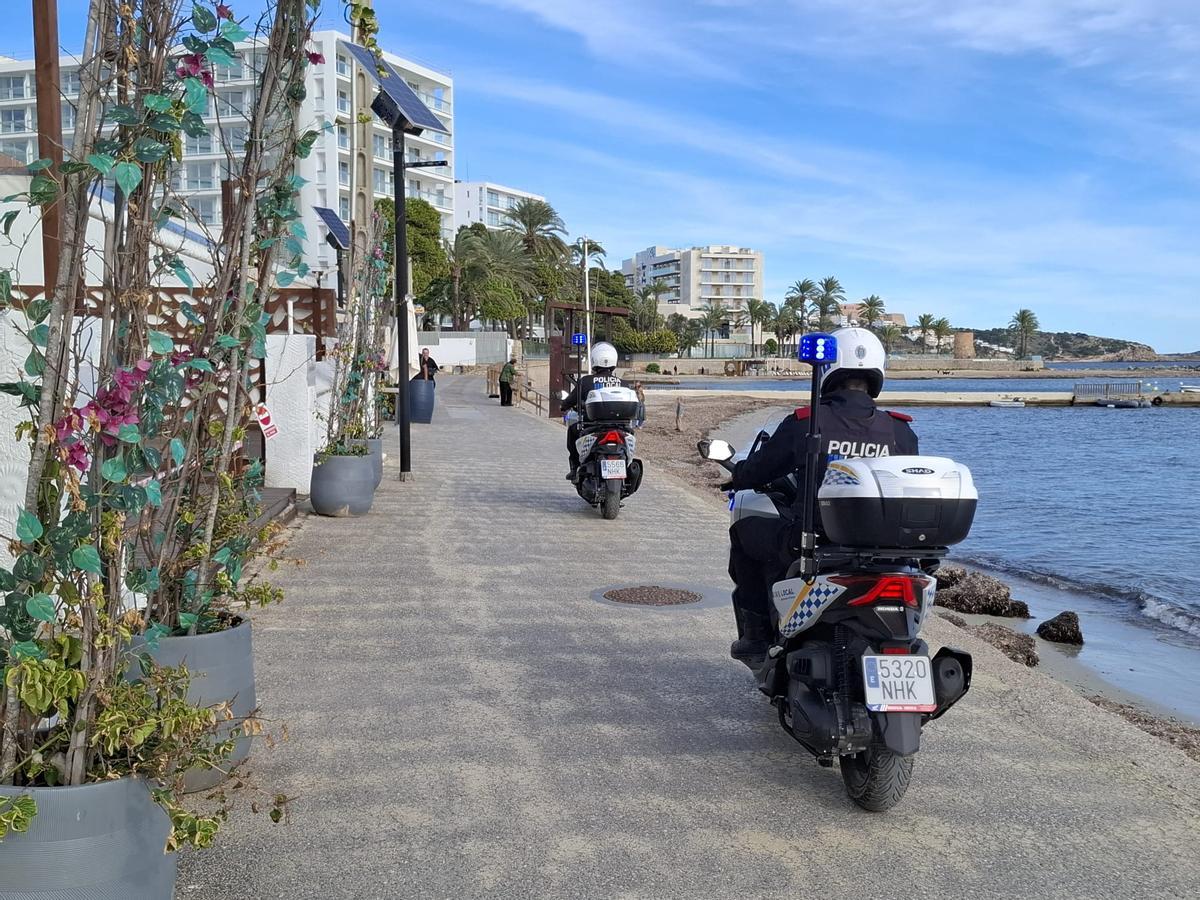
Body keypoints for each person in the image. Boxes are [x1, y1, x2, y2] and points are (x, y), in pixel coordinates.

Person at [724, 327, 918, 667]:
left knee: (743, 532)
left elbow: (759, 470)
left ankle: (755, 636)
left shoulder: (806, 422)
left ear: (829, 371)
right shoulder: (900, 431)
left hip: (815, 544)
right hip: (887, 553)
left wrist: (738, 476)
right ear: (877, 373)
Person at [560, 341, 630, 482]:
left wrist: (563, 405)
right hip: (620, 427)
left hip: (592, 426)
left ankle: (574, 468)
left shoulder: (585, 381)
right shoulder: (623, 383)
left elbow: (570, 401)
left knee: (572, 430)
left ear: (594, 359)